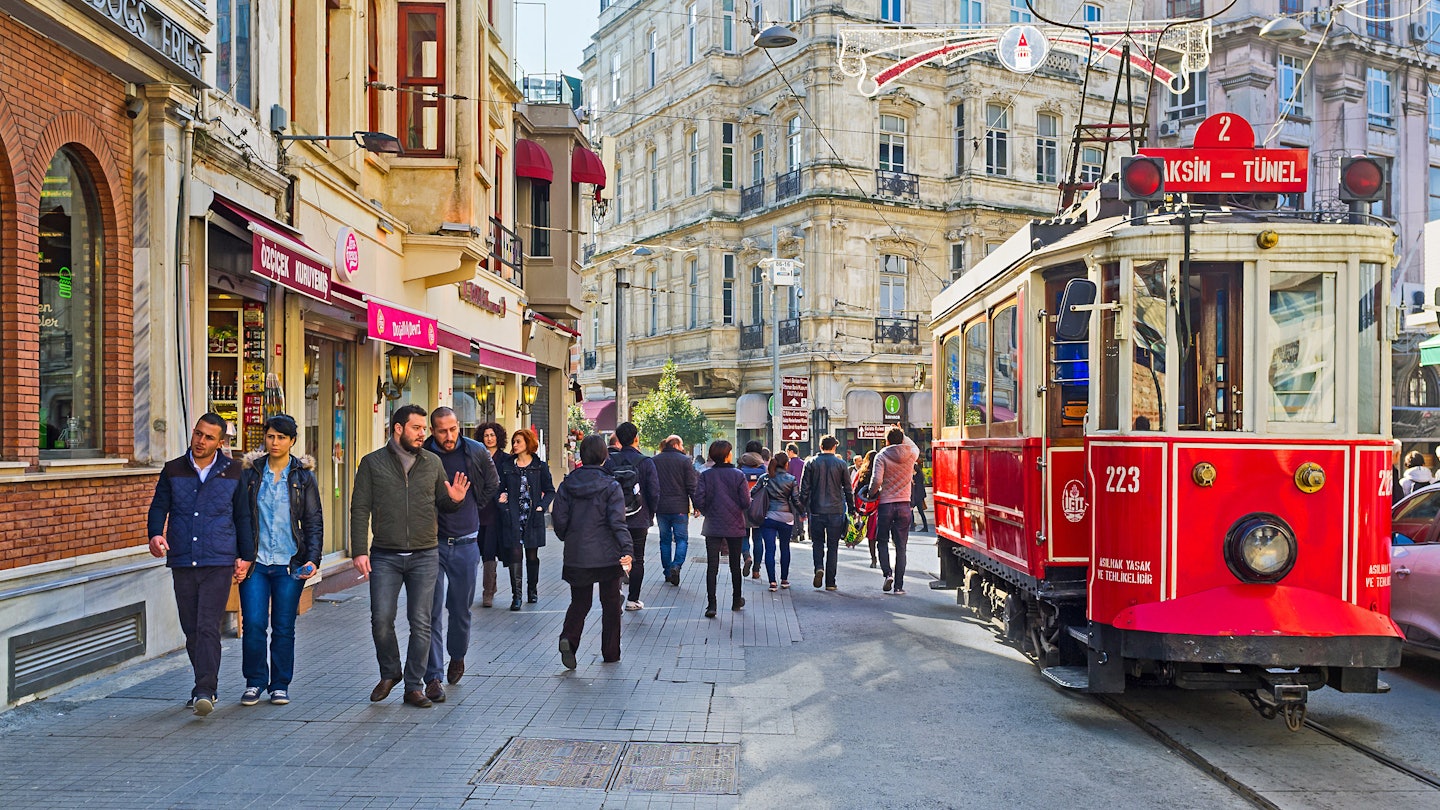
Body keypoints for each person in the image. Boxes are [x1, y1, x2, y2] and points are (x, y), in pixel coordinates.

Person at [351, 404, 470, 708]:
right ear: (398, 429)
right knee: (381, 619)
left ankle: (414, 686)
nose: (422, 434)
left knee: (421, 622)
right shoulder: (371, 463)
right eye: (417, 428)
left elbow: (444, 501)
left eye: (423, 429)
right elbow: (360, 508)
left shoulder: (432, 463)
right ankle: (391, 672)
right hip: (385, 556)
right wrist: (359, 552)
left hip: (424, 554)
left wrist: (455, 500)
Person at [147, 413, 255, 716]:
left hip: (218, 559)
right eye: (198, 434)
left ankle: (205, 689)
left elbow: (243, 516)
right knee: (191, 628)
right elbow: (159, 506)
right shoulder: (173, 470)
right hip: (182, 557)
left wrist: (245, 556)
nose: (200, 441)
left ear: (220, 443)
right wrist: (155, 534)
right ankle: (202, 685)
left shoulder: (234, 471)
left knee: (208, 625)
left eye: (208, 437)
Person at [238, 414, 322, 708]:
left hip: (289, 562)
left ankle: (280, 684)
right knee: (255, 624)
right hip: (256, 563)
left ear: (292, 441)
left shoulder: (303, 476)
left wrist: (313, 559)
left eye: (281, 437)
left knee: (284, 626)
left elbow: (313, 521)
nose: (275, 442)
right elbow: (241, 517)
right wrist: (240, 555)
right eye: (271, 436)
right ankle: (255, 681)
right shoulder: (251, 473)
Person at [420, 407, 499, 702]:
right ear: (433, 430)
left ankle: (457, 655)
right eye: (442, 430)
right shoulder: (424, 452)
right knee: (430, 610)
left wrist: (471, 506)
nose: (449, 435)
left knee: (460, 609)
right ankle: (434, 677)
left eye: (454, 429)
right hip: (431, 543)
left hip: (466, 541)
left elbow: (492, 484)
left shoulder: (476, 451)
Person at [553, 435, 635, 667]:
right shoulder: (611, 485)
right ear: (604, 456)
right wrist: (627, 549)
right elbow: (617, 522)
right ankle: (611, 653)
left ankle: (569, 638)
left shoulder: (568, 484)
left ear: (581, 455)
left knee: (580, 602)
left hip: (577, 554)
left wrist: (570, 538)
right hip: (607, 555)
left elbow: (559, 520)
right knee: (610, 604)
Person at [496, 428, 556, 609]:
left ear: (528, 444)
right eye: (513, 442)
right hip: (513, 516)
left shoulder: (539, 466)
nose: (514, 445)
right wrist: (502, 502)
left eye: (518, 442)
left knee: (532, 556)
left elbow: (550, 491)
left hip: (532, 516)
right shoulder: (507, 466)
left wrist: (541, 507)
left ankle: (532, 590)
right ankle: (517, 596)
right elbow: (498, 489)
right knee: (515, 554)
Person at [603, 422, 660, 609]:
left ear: (618, 440)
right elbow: (654, 492)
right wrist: (650, 513)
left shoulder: (610, 462)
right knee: (638, 558)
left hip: (615, 518)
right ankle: (633, 599)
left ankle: (616, 591)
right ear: (636, 438)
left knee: (615, 555)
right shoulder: (646, 462)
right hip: (639, 517)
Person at [694, 440, 750, 617]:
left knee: (712, 566)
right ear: (727, 455)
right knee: (735, 565)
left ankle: (712, 605)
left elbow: (698, 500)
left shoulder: (706, 475)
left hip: (713, 525)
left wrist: (708, 511)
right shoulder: (738, 475)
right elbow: (745, 502)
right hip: (735, 525)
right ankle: (736, 600)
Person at [870, 427, 921, 594]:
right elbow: (915, 446)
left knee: (882, 540)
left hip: (886, 504)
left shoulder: (881, 455)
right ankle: (899, 586)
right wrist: (902, 434)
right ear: (902, 439)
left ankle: (887, 574)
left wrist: (871, 493)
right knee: (901, 546)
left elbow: (876, 480)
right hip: (904, 505)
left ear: (887, 441)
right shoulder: (911, 454)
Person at [798, 435, 852, 592]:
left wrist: (802, 507)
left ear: (820, 446)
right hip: (836, 511)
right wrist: (852, 508)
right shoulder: (841, 464)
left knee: (817, 543)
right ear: (834, 447)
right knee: (833, 546)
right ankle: (830, 581)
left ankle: (818, 567)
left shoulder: (811, 463)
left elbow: (804, 489)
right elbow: (848, 489)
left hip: (816, 510)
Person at [653, 434, 698, 586]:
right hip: (679, 507)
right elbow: (691, 485)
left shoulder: (655, 460)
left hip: (661, 507)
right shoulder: (685, 461)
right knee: (681, 539)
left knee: (664, 540)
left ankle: (667, 572)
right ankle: (676, 565)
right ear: (677, 445)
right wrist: (696, 505)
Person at [475, 422, 510, 607]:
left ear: (498, 437)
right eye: (486, 435)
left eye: (492, 435)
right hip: (476, 509)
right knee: (475, 552)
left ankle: (488, 591)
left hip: (495, 511)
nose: (489, 438)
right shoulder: (477, 456)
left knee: (489, 552)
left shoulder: (506, 459)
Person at [757, 454, 803, 590]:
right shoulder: (791, 479)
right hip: (786, 518)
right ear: (786, 464)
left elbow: (753, 493)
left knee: (770, 549)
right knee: (785, 548)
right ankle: (784, 579)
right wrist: (802, 513)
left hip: (768, 517)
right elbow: (796, 500)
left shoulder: (765, 478)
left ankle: (772, 582)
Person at [738, 443, 767, 579]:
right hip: (759, 509)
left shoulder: (739, 469)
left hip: (742, 507)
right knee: (758, 538)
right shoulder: (764, 470)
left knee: (743, 536)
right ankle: (756, 570)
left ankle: (746, 556)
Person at [852, 450, 880, 568]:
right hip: (879, 507)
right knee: (880, 535)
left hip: (866, 508)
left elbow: (854, 489)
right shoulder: (880, 471)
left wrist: (855, 508)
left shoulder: (861, 472)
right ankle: (883, 557)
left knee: (871, 536)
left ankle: (873, 559)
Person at [911, 460, 929, 532]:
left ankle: (913, 526)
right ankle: (923, 526)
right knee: (918, 511)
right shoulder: (917, 475)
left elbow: (917, 487)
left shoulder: (917, 476)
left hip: (917, 497)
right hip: (918, 496)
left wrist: (913, 483)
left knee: (915, 510)